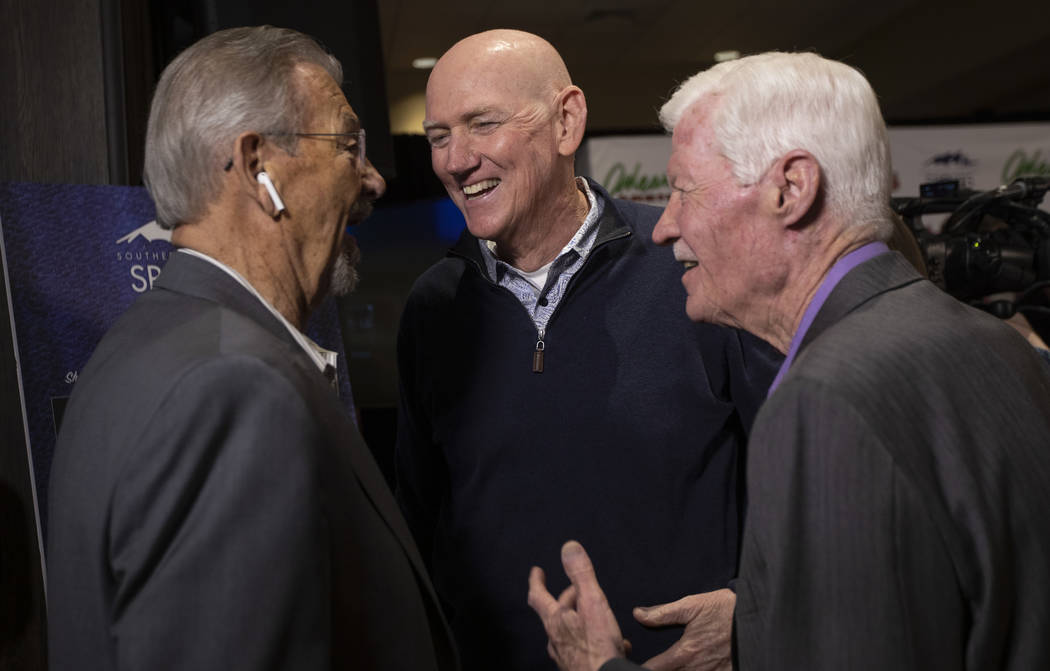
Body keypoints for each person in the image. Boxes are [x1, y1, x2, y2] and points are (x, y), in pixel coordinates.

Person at [528, 51, 1050, 671]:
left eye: (683, 191)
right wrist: (765, 618)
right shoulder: (996, 343)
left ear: (791, 188)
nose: (664, 226)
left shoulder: (825, 400)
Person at [47, 26, 456, 671]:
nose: (375, 180)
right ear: (259, 164)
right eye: (349, 144)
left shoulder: (142, 347)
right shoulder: (233, 388)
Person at [396, 30, 780, 670]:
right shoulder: (433, 309)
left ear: (566, 121)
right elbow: (421, 523)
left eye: (483, 125)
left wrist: (754, 608)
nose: (457, 160)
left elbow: (799, 478)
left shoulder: (687, 265)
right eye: (438, 137)